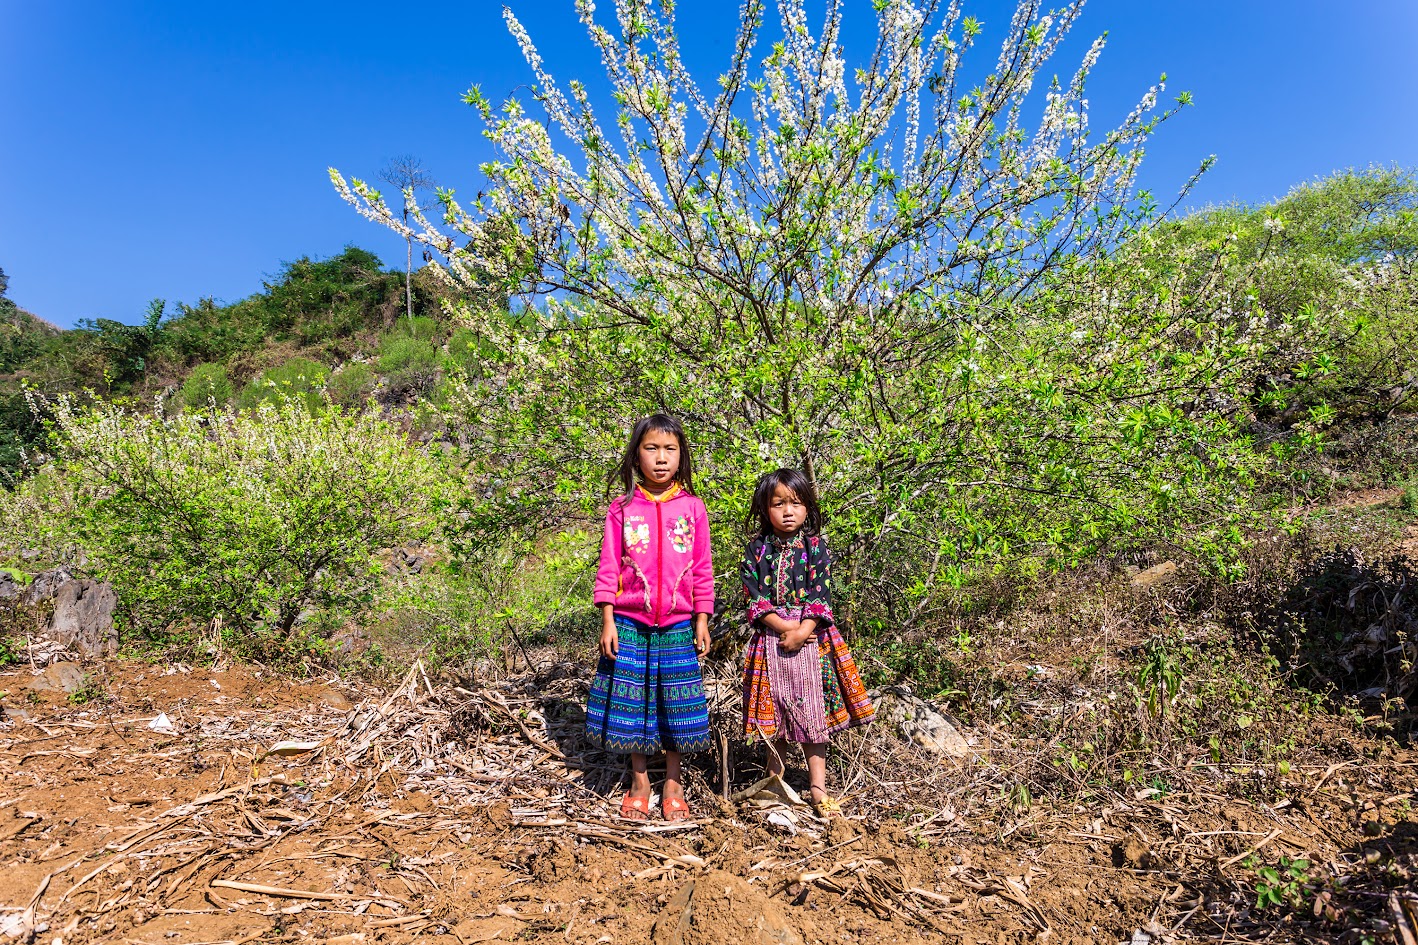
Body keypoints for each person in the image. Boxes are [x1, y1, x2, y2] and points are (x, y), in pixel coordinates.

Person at [587, 414, 714, 821]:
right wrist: (608, 619)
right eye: (651, 448)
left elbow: (702, 568)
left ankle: (673, 783)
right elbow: (609, 566)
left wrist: (702, 618)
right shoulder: (622, 508)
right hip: (630, 623)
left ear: (681, 456)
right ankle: (639, 781)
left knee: (676, 705)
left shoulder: (693, 507)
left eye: (670, 449)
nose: (661, 458)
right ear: (636, 456)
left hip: (677, 624)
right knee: (634, 704)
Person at [741, 468, 874, 815]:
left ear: (808, 508)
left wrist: (802, 630)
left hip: (813, 640)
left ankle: (818, 789)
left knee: (814, 713)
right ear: (764, 508)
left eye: (796, 503)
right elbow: (754, 598)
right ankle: (775, 784)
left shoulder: (816, 548)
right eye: (779, 504)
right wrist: (784, 626)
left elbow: (820, 595)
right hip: (770, 640)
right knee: (774, 715)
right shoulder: (756, 551)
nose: (788, 511)